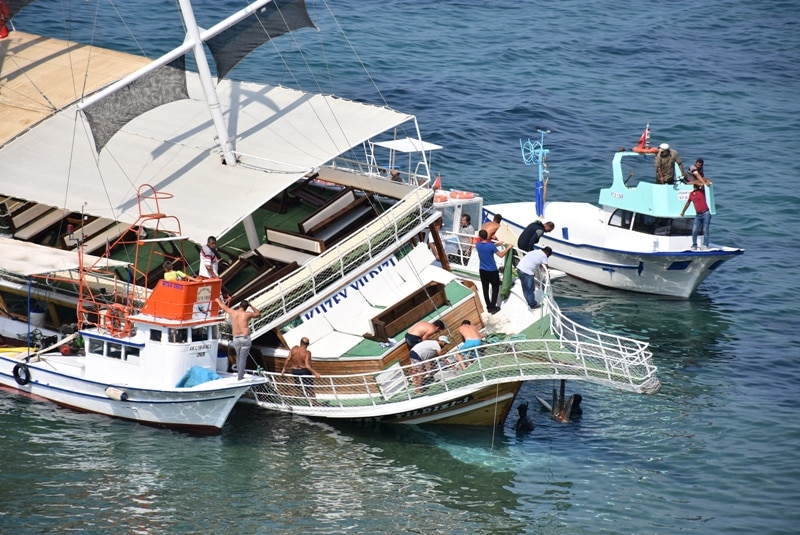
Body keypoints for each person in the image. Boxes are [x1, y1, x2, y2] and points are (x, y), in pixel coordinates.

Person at [215, 297, 261, 380]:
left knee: (239, 357)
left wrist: (218, 300)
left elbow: (223, 306)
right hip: (245, 337)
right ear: (246, 307)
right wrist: (251, 305)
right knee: (243, 358)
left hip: (236, 338)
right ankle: (240, 376)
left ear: (239, 305)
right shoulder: (247, 314)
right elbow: (258, 314)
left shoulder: (233, 312)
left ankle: (239, 374)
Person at [475, 229, 512, 313]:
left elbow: (485, 246)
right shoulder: (491, 246)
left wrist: (495, 244)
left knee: (485, 289)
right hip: (492, 270)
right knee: (495, 288)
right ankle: (493, 306)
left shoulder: (477, 245)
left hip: (482, 270)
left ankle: (489, 307)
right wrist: (508, 248)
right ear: (487, 236)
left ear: (480, 237)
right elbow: (501, 255)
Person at [281, 337, 322, 402]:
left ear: (300, 342)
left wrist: (284, 369)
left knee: (299, 387)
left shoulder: (294, 348)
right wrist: (315, 373)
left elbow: (288, 359)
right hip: (304, 371)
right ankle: (315, 403)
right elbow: (307, 366)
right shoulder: (307, 352)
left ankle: (302, 400)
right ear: (308, 344)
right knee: (310, 388)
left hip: (294, 371)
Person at [680, 183, 711, 250]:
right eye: (695, 186)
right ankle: (694, 245)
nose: (695, 187)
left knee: (705, 230)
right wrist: (683, 211)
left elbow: (703, 185)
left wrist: (695, 182)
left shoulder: (701, 192)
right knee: (694, 230)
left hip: (706, 213)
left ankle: (705, 245)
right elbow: (688, 203)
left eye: (696, 186)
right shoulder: (691, 194)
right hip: (698, 215)